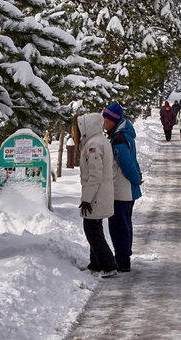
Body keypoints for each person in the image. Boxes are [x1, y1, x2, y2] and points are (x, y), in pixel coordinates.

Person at [102, 102, 143, 273]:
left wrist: (135, 179)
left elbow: (126, 163)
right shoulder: (122, 135)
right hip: (124, 188)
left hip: (121, 189)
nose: (103, 122)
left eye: (106, 119)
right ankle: (123, 256)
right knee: (124, 224)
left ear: (113, 120)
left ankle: (122, 260)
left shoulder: (118, 138)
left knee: (119, 226)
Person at [77, 112, 117, 276]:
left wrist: (87, 199)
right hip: (101, 194)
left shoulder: (93, 145)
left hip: (96, 196)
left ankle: (109, 265)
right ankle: (95, 263)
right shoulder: (101, 141)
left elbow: (95, 175)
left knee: (92, 231)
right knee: (95, 228)